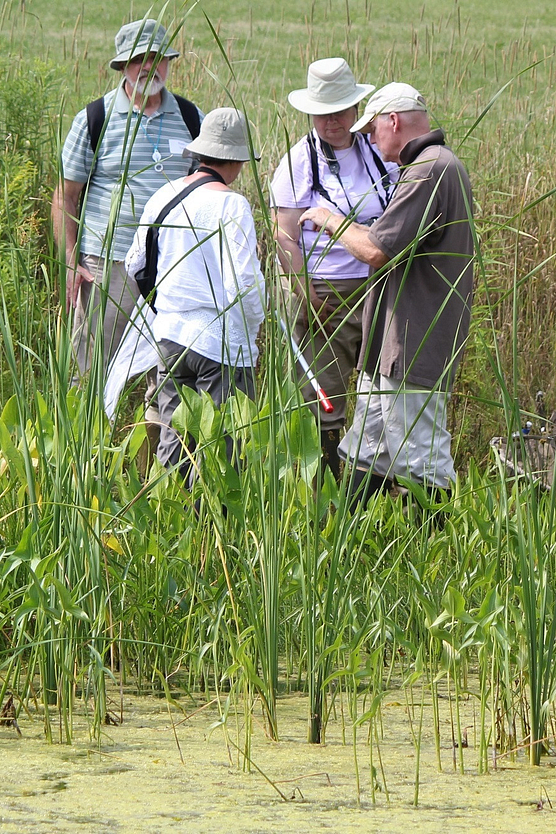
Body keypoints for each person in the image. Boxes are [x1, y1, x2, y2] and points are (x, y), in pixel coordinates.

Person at [299, 82, 474, 506]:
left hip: (414, 341)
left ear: (393, 121)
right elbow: (385, 238)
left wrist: (327, 219)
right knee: (366, 449)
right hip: (394, 345)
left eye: (372, 129)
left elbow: (376, 250)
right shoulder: (433, 165)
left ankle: (433, 560)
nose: (370, 140)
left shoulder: (428, 170)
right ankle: (351, 543)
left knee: (421, 459)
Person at [52, 18, 204, 376]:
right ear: (122, 66)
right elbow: (65, 198)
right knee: (92, 370)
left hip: (174, 264)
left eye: (157, 57)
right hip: (108, 265)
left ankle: (158, 432)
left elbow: (209, 188)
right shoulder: (95, 118)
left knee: (170, 369)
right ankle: (89, 432)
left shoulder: (191, 117)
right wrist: (72, 261)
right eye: (138, 59)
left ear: (169, 62)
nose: (149, 67)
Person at [271, 58, 397, 478]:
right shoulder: (297, 163)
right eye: (323, 113)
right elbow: (285, 234)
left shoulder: (378, 152)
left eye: (341, 110)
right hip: (328, 293)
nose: (333, 122)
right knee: (323, 395)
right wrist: (305, 293)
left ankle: (378, 484)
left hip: (383, 287)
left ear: (356, 108)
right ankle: (325, 487)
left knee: (384, 393)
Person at [124, 108, 265, 478]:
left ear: (200, 152)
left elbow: (135, 263)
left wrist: (165, 306)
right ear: (236, 160)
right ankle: (214, 527)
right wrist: (253, 332)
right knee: (222, 448)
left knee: (174, 440)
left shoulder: (164, 195)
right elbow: (244, 285)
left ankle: (171, 521)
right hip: (221, 345)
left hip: (170, 338)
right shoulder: (232, 204)